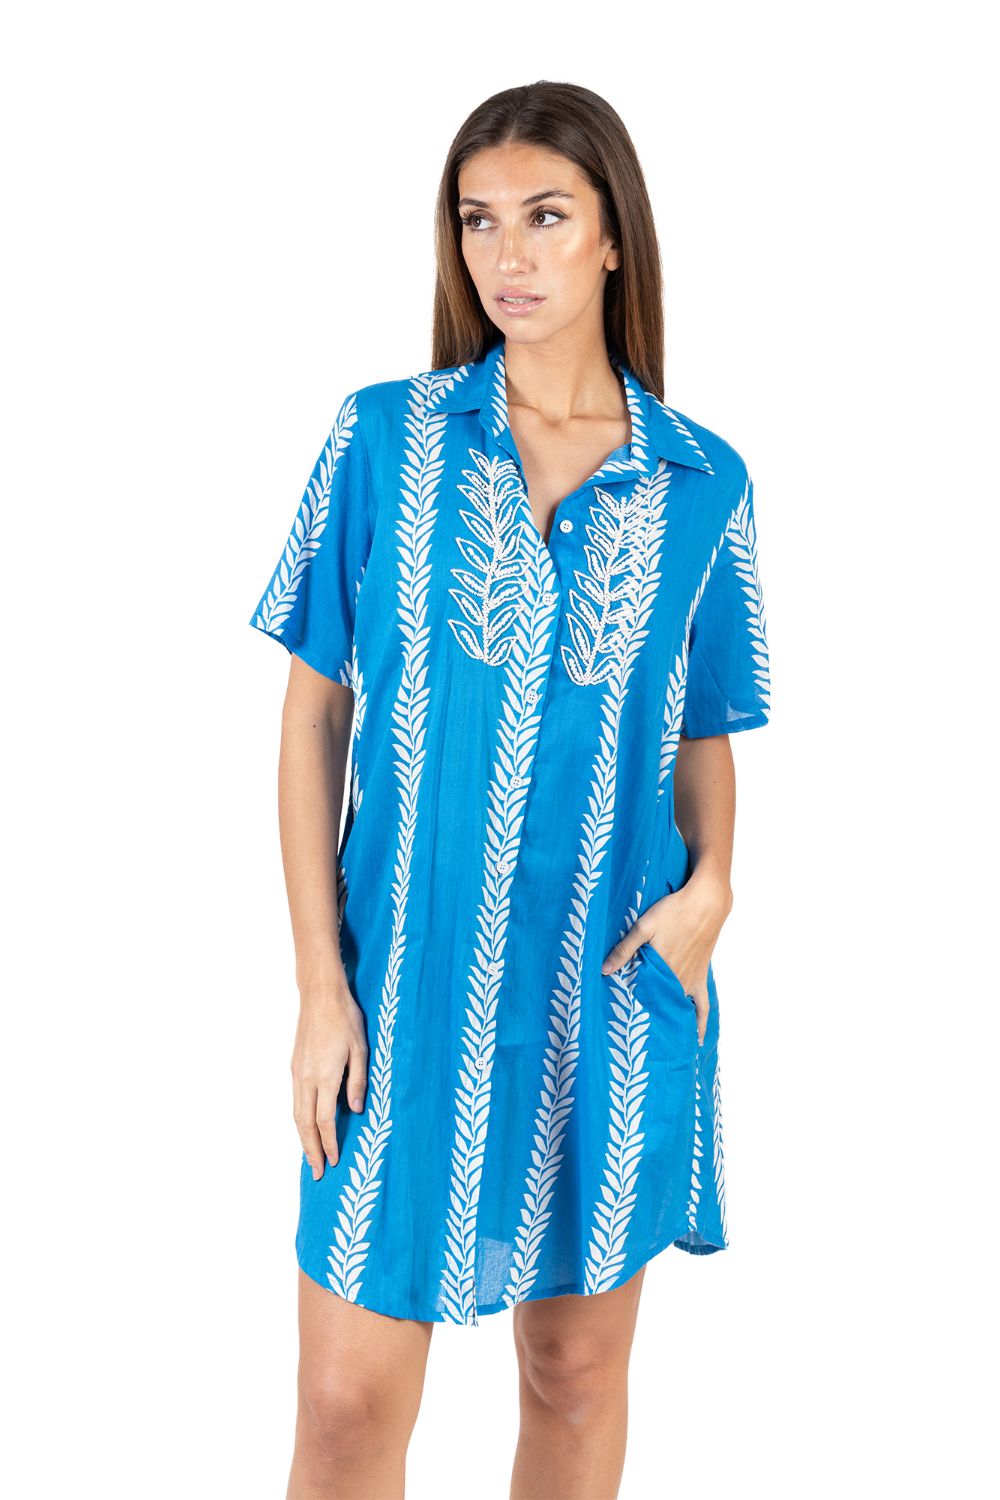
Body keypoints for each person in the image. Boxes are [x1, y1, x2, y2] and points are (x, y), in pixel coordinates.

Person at [248, 79, 772, 1500]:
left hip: (607, 984)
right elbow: (312, 719)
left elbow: (705, 725)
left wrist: (717, 888)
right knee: (346, 1405)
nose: (507, 256)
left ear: (613, 239)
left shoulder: (702, 483)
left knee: (574, 1376)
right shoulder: (382, 439)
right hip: (402, 988)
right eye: (478, 222)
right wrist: (318, 984)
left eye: (545, 216)